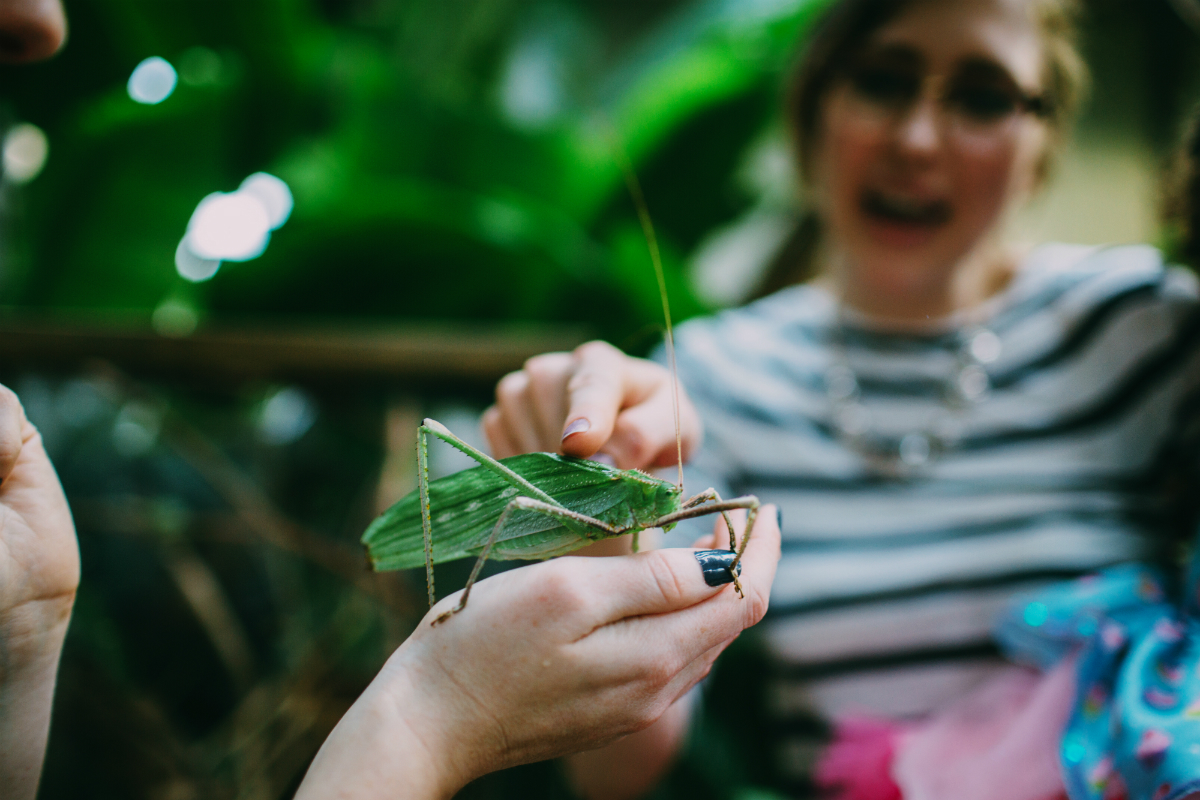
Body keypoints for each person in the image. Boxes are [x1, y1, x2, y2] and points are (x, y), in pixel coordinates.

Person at [0, 3, 783, 799]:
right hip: (521, 516)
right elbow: (519, 516)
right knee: (496, 488)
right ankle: (450, 591)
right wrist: (444, 684)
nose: (37, 23)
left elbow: (720, 530)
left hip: (577, 536)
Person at [485, 0, 1200, 797]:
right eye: (882, 82)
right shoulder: (712, 374)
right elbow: (622, 775)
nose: (917, 139)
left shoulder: (1143, 324)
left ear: (1043, 147)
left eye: (984, 96)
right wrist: (593, 532)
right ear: (810, 108)